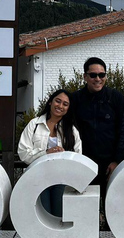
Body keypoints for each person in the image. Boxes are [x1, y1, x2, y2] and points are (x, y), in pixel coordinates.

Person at [17, 89, 82, 217]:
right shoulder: (34, 124)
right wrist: (46, 153)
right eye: (58, 101)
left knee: (59, 216)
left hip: (62, 179)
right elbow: (23, 152)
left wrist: (63, 155)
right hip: (38, 177)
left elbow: (77, 156)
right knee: (43, 215)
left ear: (68, 108)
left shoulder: (71, 130)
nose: (60, 106)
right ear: (50, 102)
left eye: (65, 104)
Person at [70, 57, 124, 190]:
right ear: (85, 76)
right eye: (93, 75)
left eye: (101, 75)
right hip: (83, 163)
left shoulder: (116, 98)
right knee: (86, 205)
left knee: (112, 207)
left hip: (110, 164)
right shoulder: (75, 99)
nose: (98, 79)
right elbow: (69, 130)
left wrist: (117, 160)